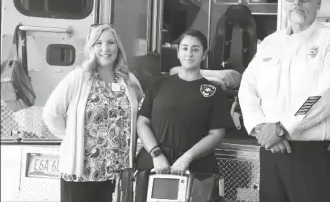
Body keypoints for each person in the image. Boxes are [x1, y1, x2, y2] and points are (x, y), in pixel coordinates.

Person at [238, 0, 330, 202]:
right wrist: (260, 126)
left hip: (315, 158)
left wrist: (282, 129)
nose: (297, 3)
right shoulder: (270, 43)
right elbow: (247, 86)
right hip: (272, 153)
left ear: (318, 2)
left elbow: (326, 94)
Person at [43, 23, 143, 202]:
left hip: (119, 173)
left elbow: (140, 114)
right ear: (91, 47)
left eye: (110, 42)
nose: (105, 48)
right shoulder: (78, 78)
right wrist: (71, 136)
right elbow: (51, 114)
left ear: (118, 47)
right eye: (98, 43)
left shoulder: (129, 80)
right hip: (83, 173)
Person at [136, 29, 234, 175]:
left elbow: (216, 134)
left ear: (204, 54)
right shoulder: (158, 83)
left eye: (195, 49)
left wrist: (187, 158)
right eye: (185, 48)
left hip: (196, 167)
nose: (189, 54)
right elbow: (142, 122)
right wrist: (156, 155)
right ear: (178, 52)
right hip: (154, 164)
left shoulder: (214, 91)